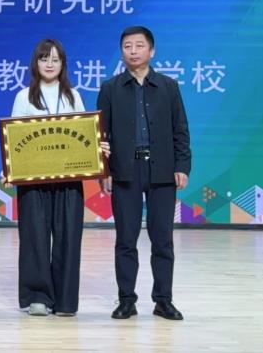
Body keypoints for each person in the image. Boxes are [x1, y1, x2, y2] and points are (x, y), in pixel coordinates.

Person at [11, 38, 108, 317]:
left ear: (63, 64)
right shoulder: (24, 96)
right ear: (35, 63)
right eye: (44, 59)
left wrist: (97, 148)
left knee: (68, 236)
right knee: (35, 237)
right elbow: (14, 139)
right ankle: (38, 297)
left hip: (69, 179)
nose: (49, 64)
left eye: (55, 59)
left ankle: (65, 300)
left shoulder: (73, 96)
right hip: (33, 181)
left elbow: (84, 135)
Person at [99, 26, 191, 321]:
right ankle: (126, 300)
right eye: (128, 46)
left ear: (152, 51)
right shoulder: (110, 88)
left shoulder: (168, 86)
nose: (133, 51)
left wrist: (182, 165)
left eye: (139, 45)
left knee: (162, 239)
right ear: (122, 52)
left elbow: (180, 128)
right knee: (126, 239)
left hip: (162, 170)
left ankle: (163, 300)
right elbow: (101, 134)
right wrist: (104, 170)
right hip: (124, 170)